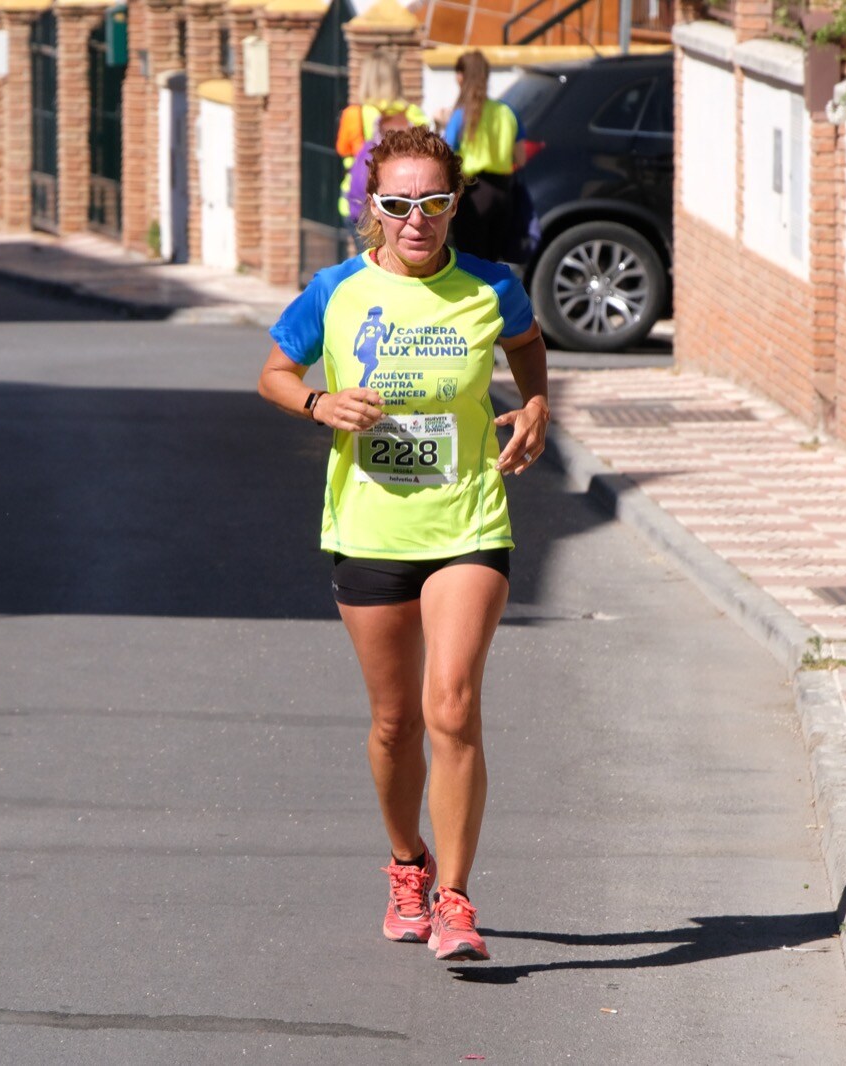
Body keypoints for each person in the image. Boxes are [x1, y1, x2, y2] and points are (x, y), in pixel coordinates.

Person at [257, 127, 550, 962]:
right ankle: (407, 864)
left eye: (432, 202)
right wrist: (318, 405)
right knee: (394, 724)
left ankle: (456, 901)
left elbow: (529, 351)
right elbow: (274, 372)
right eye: (396, 203)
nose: (415, 219)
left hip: (467, 521)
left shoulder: (492, 287)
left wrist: (535, 407)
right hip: (370, 527)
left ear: (455, 203)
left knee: (450, 705)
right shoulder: (336, 291)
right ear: (372, 209)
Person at [440, 50, 524, 262]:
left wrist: (441, 124)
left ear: (461, 77)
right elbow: (520, 159)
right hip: (503, 192)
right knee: (492, 260)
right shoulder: (507, 112)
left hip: (473, 193)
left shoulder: (461, 115)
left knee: (470, 261)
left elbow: (446, 154)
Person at [336, 50, 428, 242]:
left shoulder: (354, 114)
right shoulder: (413, 115)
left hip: (358, 202)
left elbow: (343, 150)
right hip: (402, 204)